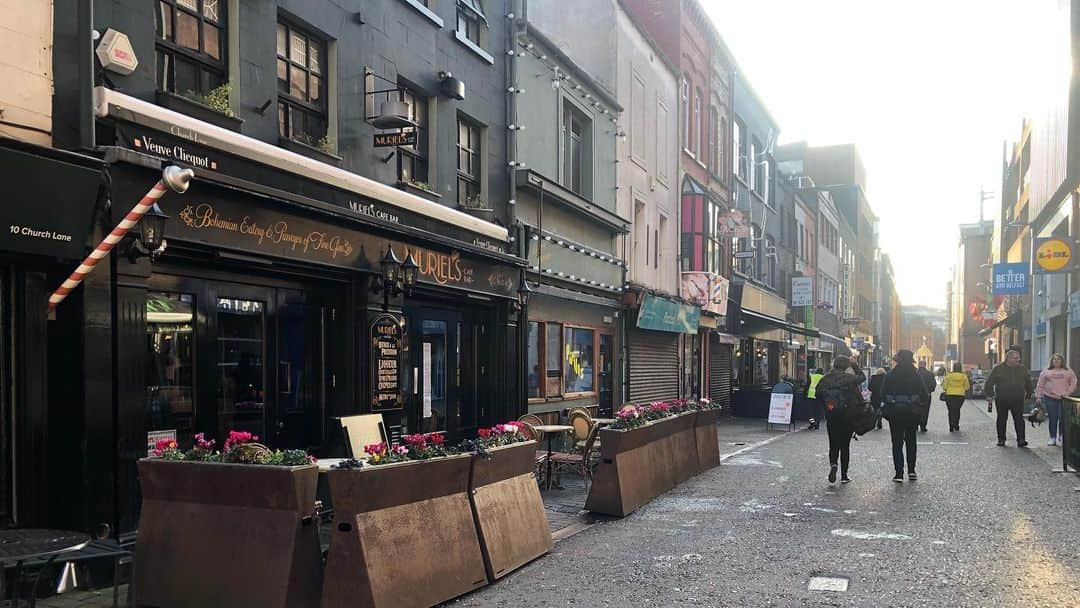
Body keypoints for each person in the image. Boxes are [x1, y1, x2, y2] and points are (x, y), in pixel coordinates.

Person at [877, 350, 929, 482]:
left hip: (895, 412)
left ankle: (899, 473)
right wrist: (920, 407)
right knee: (911, 440)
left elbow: (882, 394)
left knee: (897, 442)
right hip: (912, 412)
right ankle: (911, 471)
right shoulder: (916, 375)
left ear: (898, 360)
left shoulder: (890, 375)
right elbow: (924, 394)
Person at [815, 357, 865, 484]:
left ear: (834, 364)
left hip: (832, 415)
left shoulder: (825, 378)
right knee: (845, 445)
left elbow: (818, 394)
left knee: (833, 443)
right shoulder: (849, 378)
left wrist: (827, 407)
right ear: (846, 366)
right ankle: (844, 475)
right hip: (847, 415)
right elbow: (862, 377)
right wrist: (855, 365)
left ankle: (833, 465)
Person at [984, 348, 1034, 447]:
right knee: (1002, 419)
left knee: (1019, 419)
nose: (1018, 360)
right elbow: (989, 382)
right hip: (1002, 398)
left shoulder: (1022, 369)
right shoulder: (998, 368)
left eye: (1018, 358)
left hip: (1017, 398)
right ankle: (1001, 439)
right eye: (1016, 358)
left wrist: (1029, 393)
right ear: (1008, 358)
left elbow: (1028, 382)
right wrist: (989, 395)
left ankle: (1021, 439)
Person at [1034, 353, 1076, 446]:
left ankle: (1061, 436)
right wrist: (1038, 397)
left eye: (1058, 359)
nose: (1056, 361)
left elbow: (1073, 382)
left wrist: (1068, 392)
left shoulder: (1068, 371)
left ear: (1062, 361)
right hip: (1050, 397)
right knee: (1053, 418)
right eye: (1054, 359)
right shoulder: (1046, 372)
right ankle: (1052, 437)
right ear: (1051, 361)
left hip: (1064, 398)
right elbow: (1040, 385)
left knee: (1062, 418)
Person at [941, 363, 970, 432]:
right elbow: (967, 387)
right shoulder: (964, 376)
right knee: (957, 410)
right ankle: (956, 425)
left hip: (950, 395)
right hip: (960, 396)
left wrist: (948, 389)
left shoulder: (948, 376)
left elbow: (944, 386)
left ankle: (951, 425)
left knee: (950, 410)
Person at [916, 361, 937, 433]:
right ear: (925, 365)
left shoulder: (914, 373)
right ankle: (923, 426)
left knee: (915, 409)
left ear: (919, 365)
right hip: (926, 394)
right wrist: (930, 390)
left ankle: (915, 424)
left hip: (916, 395)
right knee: (925, 410)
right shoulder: (930, 374)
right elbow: (933, 384)